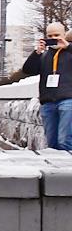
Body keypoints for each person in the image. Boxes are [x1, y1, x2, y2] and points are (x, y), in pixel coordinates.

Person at [21, 22, 72, 150]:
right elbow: (28, 70)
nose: (53, 38)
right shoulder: (44, 55)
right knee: (52, 142)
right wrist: (37, 53)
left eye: (57, 35)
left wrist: (68, 47)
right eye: (50, 36)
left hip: (68, 100)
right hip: (48, 102)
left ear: (64, 35)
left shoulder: (69, 52)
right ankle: (57, 163)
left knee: (65, 140)